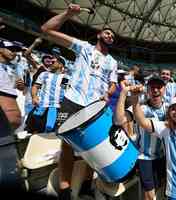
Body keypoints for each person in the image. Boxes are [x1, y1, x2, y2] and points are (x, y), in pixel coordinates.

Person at [41, 3, 118, 200]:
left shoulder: (113, 62)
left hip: (94, 107)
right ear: (100, 35)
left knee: (93, 147)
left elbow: (112, 84)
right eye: (107, 33)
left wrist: (108, 94)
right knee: (66, 146)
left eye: (113, 36)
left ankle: (85, 187)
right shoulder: (83, 47)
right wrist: (67, 14)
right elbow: (46, 30)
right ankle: (65, 190)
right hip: (72, 101)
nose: (110, 36)